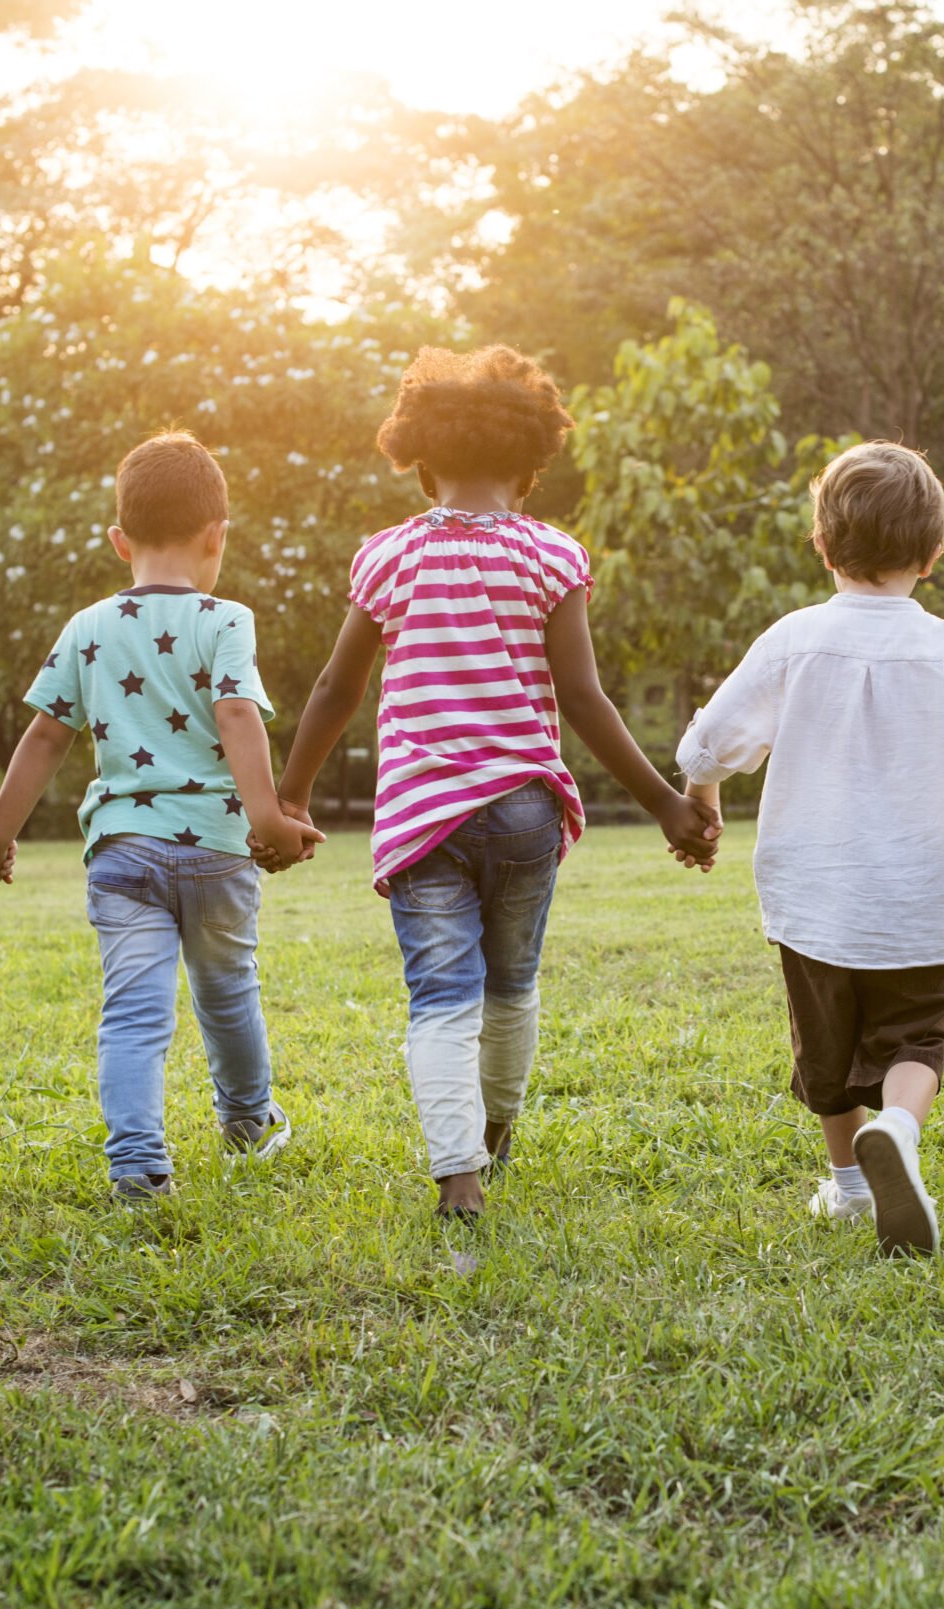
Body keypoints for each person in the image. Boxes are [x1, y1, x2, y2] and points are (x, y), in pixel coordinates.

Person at [259, 346, 719, 1221]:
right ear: (531, 464)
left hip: (422, 816)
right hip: (522, 810)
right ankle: (496, 1135)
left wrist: (292, 796)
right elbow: (582, 696)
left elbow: (336, 687)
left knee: (440, 995)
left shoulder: (388, 556)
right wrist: (665, 801)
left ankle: (458, 1179)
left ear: (421, 461)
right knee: (511, 985)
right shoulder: (552, 554)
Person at [677, 441, 944, 1259]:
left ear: (822, 543)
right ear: (933, 552)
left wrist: (704, 812)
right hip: (913, 897)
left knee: (826, 1052)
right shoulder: (943, 646)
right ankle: (901, 1130)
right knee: (920, 1035)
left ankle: (849, 1186)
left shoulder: (793, 639)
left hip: (813, 899)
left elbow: (708, 745)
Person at [0, 433, 320, 1200]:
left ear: (120, 540)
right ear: (218, 535)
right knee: (228, 994)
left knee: (133, 1014)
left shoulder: (88, 627)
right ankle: (248, 1123)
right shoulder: (226, 619)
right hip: (217, 850)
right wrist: (269, 819)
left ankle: (139, 1165)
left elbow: (46, 735)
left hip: (123, 857)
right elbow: (238, 715)